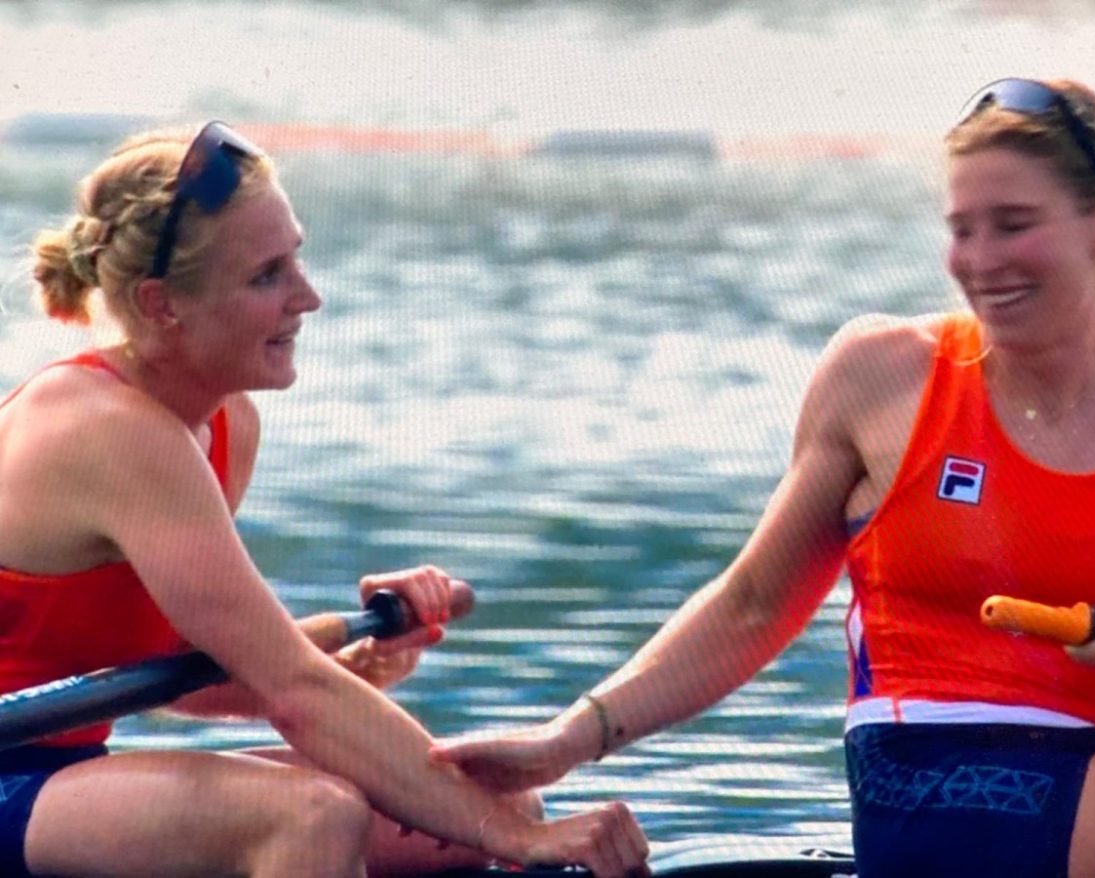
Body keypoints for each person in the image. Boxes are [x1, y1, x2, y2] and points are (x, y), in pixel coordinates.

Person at [432, 77, 1095, 878]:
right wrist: (564, 742)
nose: (981, 262)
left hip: (1087, 778)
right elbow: (753, 605)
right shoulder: (886, 374)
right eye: (961, 230)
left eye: (1013, 226)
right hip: (918, 779)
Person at [0, 121, 650, 878]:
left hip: (52, 767)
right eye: (266, 276)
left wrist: (359, 666)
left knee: (480, 814)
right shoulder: (112, 432)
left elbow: (192, 672)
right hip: (14, 776)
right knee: (315, 817)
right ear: (162, 304)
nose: (307, 297)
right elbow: (291, 691)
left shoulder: (223, 420)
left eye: (296, 260)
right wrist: (511, 839)